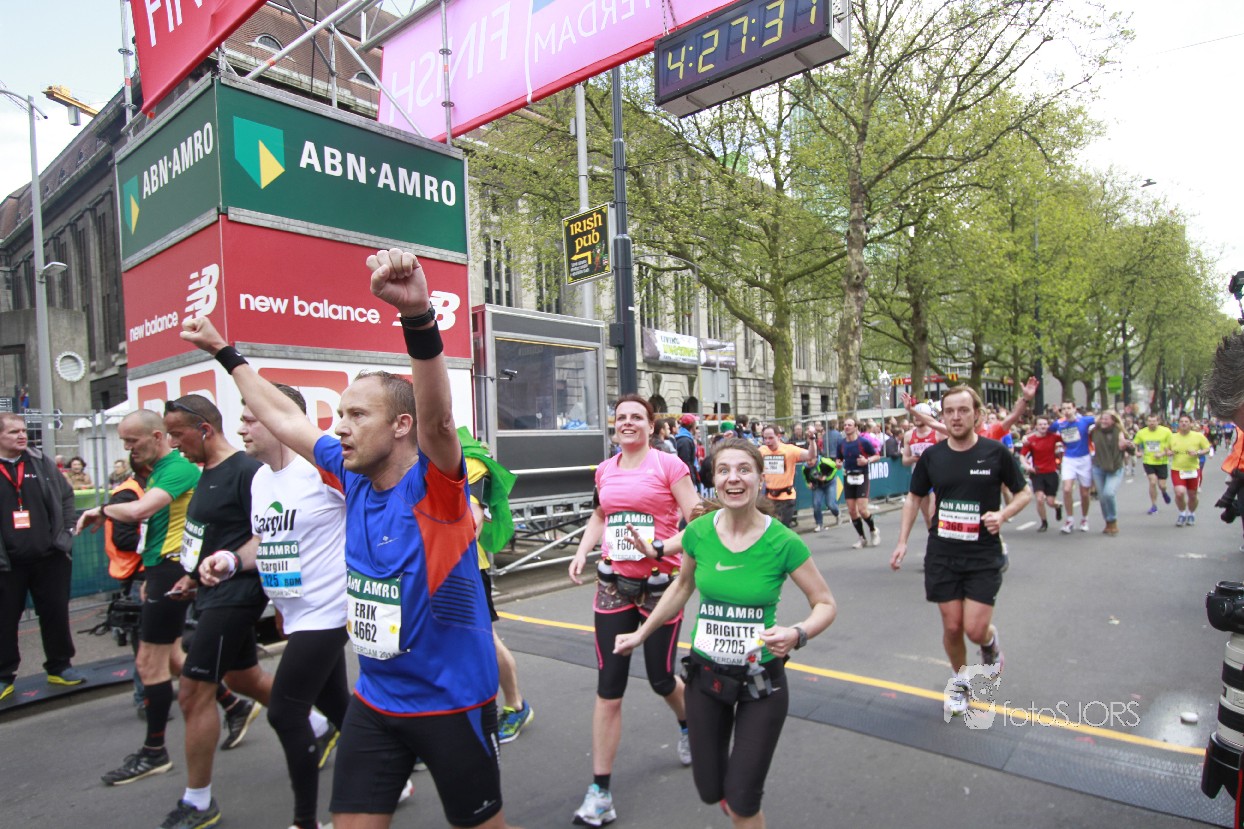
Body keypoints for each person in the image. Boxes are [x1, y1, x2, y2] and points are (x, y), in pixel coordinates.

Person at [182, 248, 519, 829]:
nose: (339, 426)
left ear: (401, 426)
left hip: (452, 703)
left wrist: (416, 316)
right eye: (339, 414)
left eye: (357, 415)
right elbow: (284, 418)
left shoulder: (436, 489)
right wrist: (224, 352)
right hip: (376, 702)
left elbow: (440, 421)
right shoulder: (347, 471)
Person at [614, 438, 837, 828]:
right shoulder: (699, 532)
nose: (734, 478)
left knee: (743, 800)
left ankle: (740, 802)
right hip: (706, 678)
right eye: (724, 470)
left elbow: (825, 603)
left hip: (761, 682)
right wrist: (642, 634)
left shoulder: (783, 542)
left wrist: (798, 633)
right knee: (709, 789)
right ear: (714, 480)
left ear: (760, 478)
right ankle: (731, 797)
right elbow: (682, 587)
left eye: (744, 469)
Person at [195, 379, 350, 829]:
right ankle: (393, 776)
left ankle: (305, 821)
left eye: (251, 419)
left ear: (283, 421)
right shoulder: (261, 479)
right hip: (295, 613)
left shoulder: (320, 471)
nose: (241, 429)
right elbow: (265, 540)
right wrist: (229, 560)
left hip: (330, 610)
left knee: (285, 712)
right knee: (338, 705)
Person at [80, 409, 248, 791]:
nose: (127, 449)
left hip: (174, 569)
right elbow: (157, 526)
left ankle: (155, 750)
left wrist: (101, 510)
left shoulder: (177, 468)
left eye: (132, 441)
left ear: (156, 437)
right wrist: (148, 573)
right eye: (123, 442)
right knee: (172, 658)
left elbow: (141, 511)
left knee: (148, 662)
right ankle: (236, 705)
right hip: (162, 569)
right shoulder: (159, 470)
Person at [568, 393, 700, 827]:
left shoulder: (669, 466)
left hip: (660, 587)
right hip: (614, 585)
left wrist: (660, 547)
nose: (627, 423)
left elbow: (698, 523)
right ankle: (600, 792)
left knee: (661, 678)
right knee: (609, 687)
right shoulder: (605, 469)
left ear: (651, 425)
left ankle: (689, 725)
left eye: (636, 417)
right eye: (621, 417)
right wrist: (582, 551)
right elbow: (600, 515)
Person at [888, 386, 1031, 717]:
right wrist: (902, 541)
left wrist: (1003, 515)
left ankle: (989, 644)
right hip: (943, 552)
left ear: (976, 415)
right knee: (952, 627)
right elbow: (914, 498)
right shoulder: (933, 457)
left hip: (983, 554)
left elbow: (1023, 493)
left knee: (975, 629)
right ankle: (960, 681)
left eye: (963, 410)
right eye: (949, 411)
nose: (955, 417)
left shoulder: (996, 453)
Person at [458, 427, 533, 745]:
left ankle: (515, 705)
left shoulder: (468, 459)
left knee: (485, 640)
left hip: (465, 569)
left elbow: (471, 519)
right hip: (424, 571)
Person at [0, 413, 81, 700]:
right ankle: (4, 676)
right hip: (7, 564)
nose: (22, 436)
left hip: (49, 557)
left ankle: (60, 667)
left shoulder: (40, 462)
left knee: (55, 614)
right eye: (13, 432)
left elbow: (67, 496)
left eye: (23, 430)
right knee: (4, 621)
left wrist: (66, 533)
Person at [836, 418, 881, 549]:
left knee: (862, 509)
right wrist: (838, 463)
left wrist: (867, 460)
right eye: (845, 425)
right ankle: (862, 538)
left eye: (849, 425)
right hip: (848, 477)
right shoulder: (841, 444)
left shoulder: (863, 442)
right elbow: (839, 459)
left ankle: (873, 530)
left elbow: (877, 456)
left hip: (862, 476)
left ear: (856, 427)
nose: (846, 427)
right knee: (852, 511)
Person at [759, 425, 815, 529]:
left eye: (770, 438)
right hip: (769, 498)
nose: (767, 441)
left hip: (786, 498)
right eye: (765, 438)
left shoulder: (789, 450)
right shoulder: (762, 451)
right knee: (769, 529)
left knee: (781, 529)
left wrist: (812, 439)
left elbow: (810, 455)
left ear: (778, 436)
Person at [1052, 401, 1096, 533]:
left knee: (1084, 493)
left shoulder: (1084, 420)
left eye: (1069, 408)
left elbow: (1103, 420)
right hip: (1069, 459)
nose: (1066, 410)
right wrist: (1027, 437)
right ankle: (1070, 520)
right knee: (1066, 490)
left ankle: (1084, 518)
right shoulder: (1059, 423)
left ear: (1074, 409)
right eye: (1064, 408)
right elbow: (1044, 431)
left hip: (1084, 459)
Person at [901, 404, 942, 530]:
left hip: (935, 478)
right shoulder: (909, 435)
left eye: (920, 416)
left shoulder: (937, 433)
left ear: (928, 417)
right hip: (920, 478)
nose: (917, 418)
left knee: (932, 513)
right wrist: (913, 459)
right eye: (915, 416)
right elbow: (905, 461)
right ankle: (933, 538)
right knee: (927, 517)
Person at [1019, 417, 1063, 532]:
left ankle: (1058, 506)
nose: (1043, 426)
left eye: (1045, 424)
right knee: (1039, 499)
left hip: (1051, 473)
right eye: (1040, 424)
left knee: (1050, 502)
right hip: (1037, 473)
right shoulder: (1031, 440)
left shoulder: (1053, 436)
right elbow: (1022, 455)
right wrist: (1027, 466)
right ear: (1036, 426)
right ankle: (1044, 522)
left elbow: (1067, 438)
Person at [1089, 410, 1129, 536]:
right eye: (1102, 418)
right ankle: (1107, 522)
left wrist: (1126, 445)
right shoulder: (1094, 431)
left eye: (1106, 419)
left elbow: (1131, 448)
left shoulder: (1119, 432)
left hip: (1115, 468)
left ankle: (1113, 520)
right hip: (1098, 467)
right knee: (1102, 497)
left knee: (1109, 493)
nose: (1103, 421)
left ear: (1113, 420)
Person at [1169, 413, 1212, 527]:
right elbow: (1166, 449)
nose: (1183, 423)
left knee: (1192, 495)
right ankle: (1182, 513)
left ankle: (1191, 513)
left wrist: (1197, 452)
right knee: (1179, 493)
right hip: (1177, 469)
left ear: (1191, 424)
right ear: (1178, 424)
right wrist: (1168, 452)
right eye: (1181, 421)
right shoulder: (1172, 437)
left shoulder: (1198, 436)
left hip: (1193, 469)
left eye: (1186, 422)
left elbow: (1207, 449)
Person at [1133, 414, 1174, 514]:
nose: (1152, 423)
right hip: (1148, 461)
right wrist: (1136, 452)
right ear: (1146, 422)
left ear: (1158, 421)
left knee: (1162, 485)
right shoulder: (1142, 432)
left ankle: (1164, 492)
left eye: (1154, 421)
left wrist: (1162, 454)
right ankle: (1154, 505)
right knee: (1152, 481)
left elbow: (1172, 447)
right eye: (1150, 421)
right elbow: (1134, 444)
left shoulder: (1166, 432)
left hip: (1162, 462)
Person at [803, 438, 840, 532]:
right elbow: (806, 478)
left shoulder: (825, 462)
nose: (809, 462)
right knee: (816, 504)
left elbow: (835, 468)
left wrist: (826, 477)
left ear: (816, 457)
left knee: (830, 504)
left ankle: (837, 514)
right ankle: (819, 524)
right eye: (807, 460)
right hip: (817, 486)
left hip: (829, 483)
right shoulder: (805, 468)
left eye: (811, 460)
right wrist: (808, 484)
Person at [673, 414, 699, 480]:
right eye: (695, 423)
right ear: (691, 425)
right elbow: (686, 462)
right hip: (686, 477)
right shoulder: (685, 441)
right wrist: (691, 478)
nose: (696, 425)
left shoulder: (685, 438)